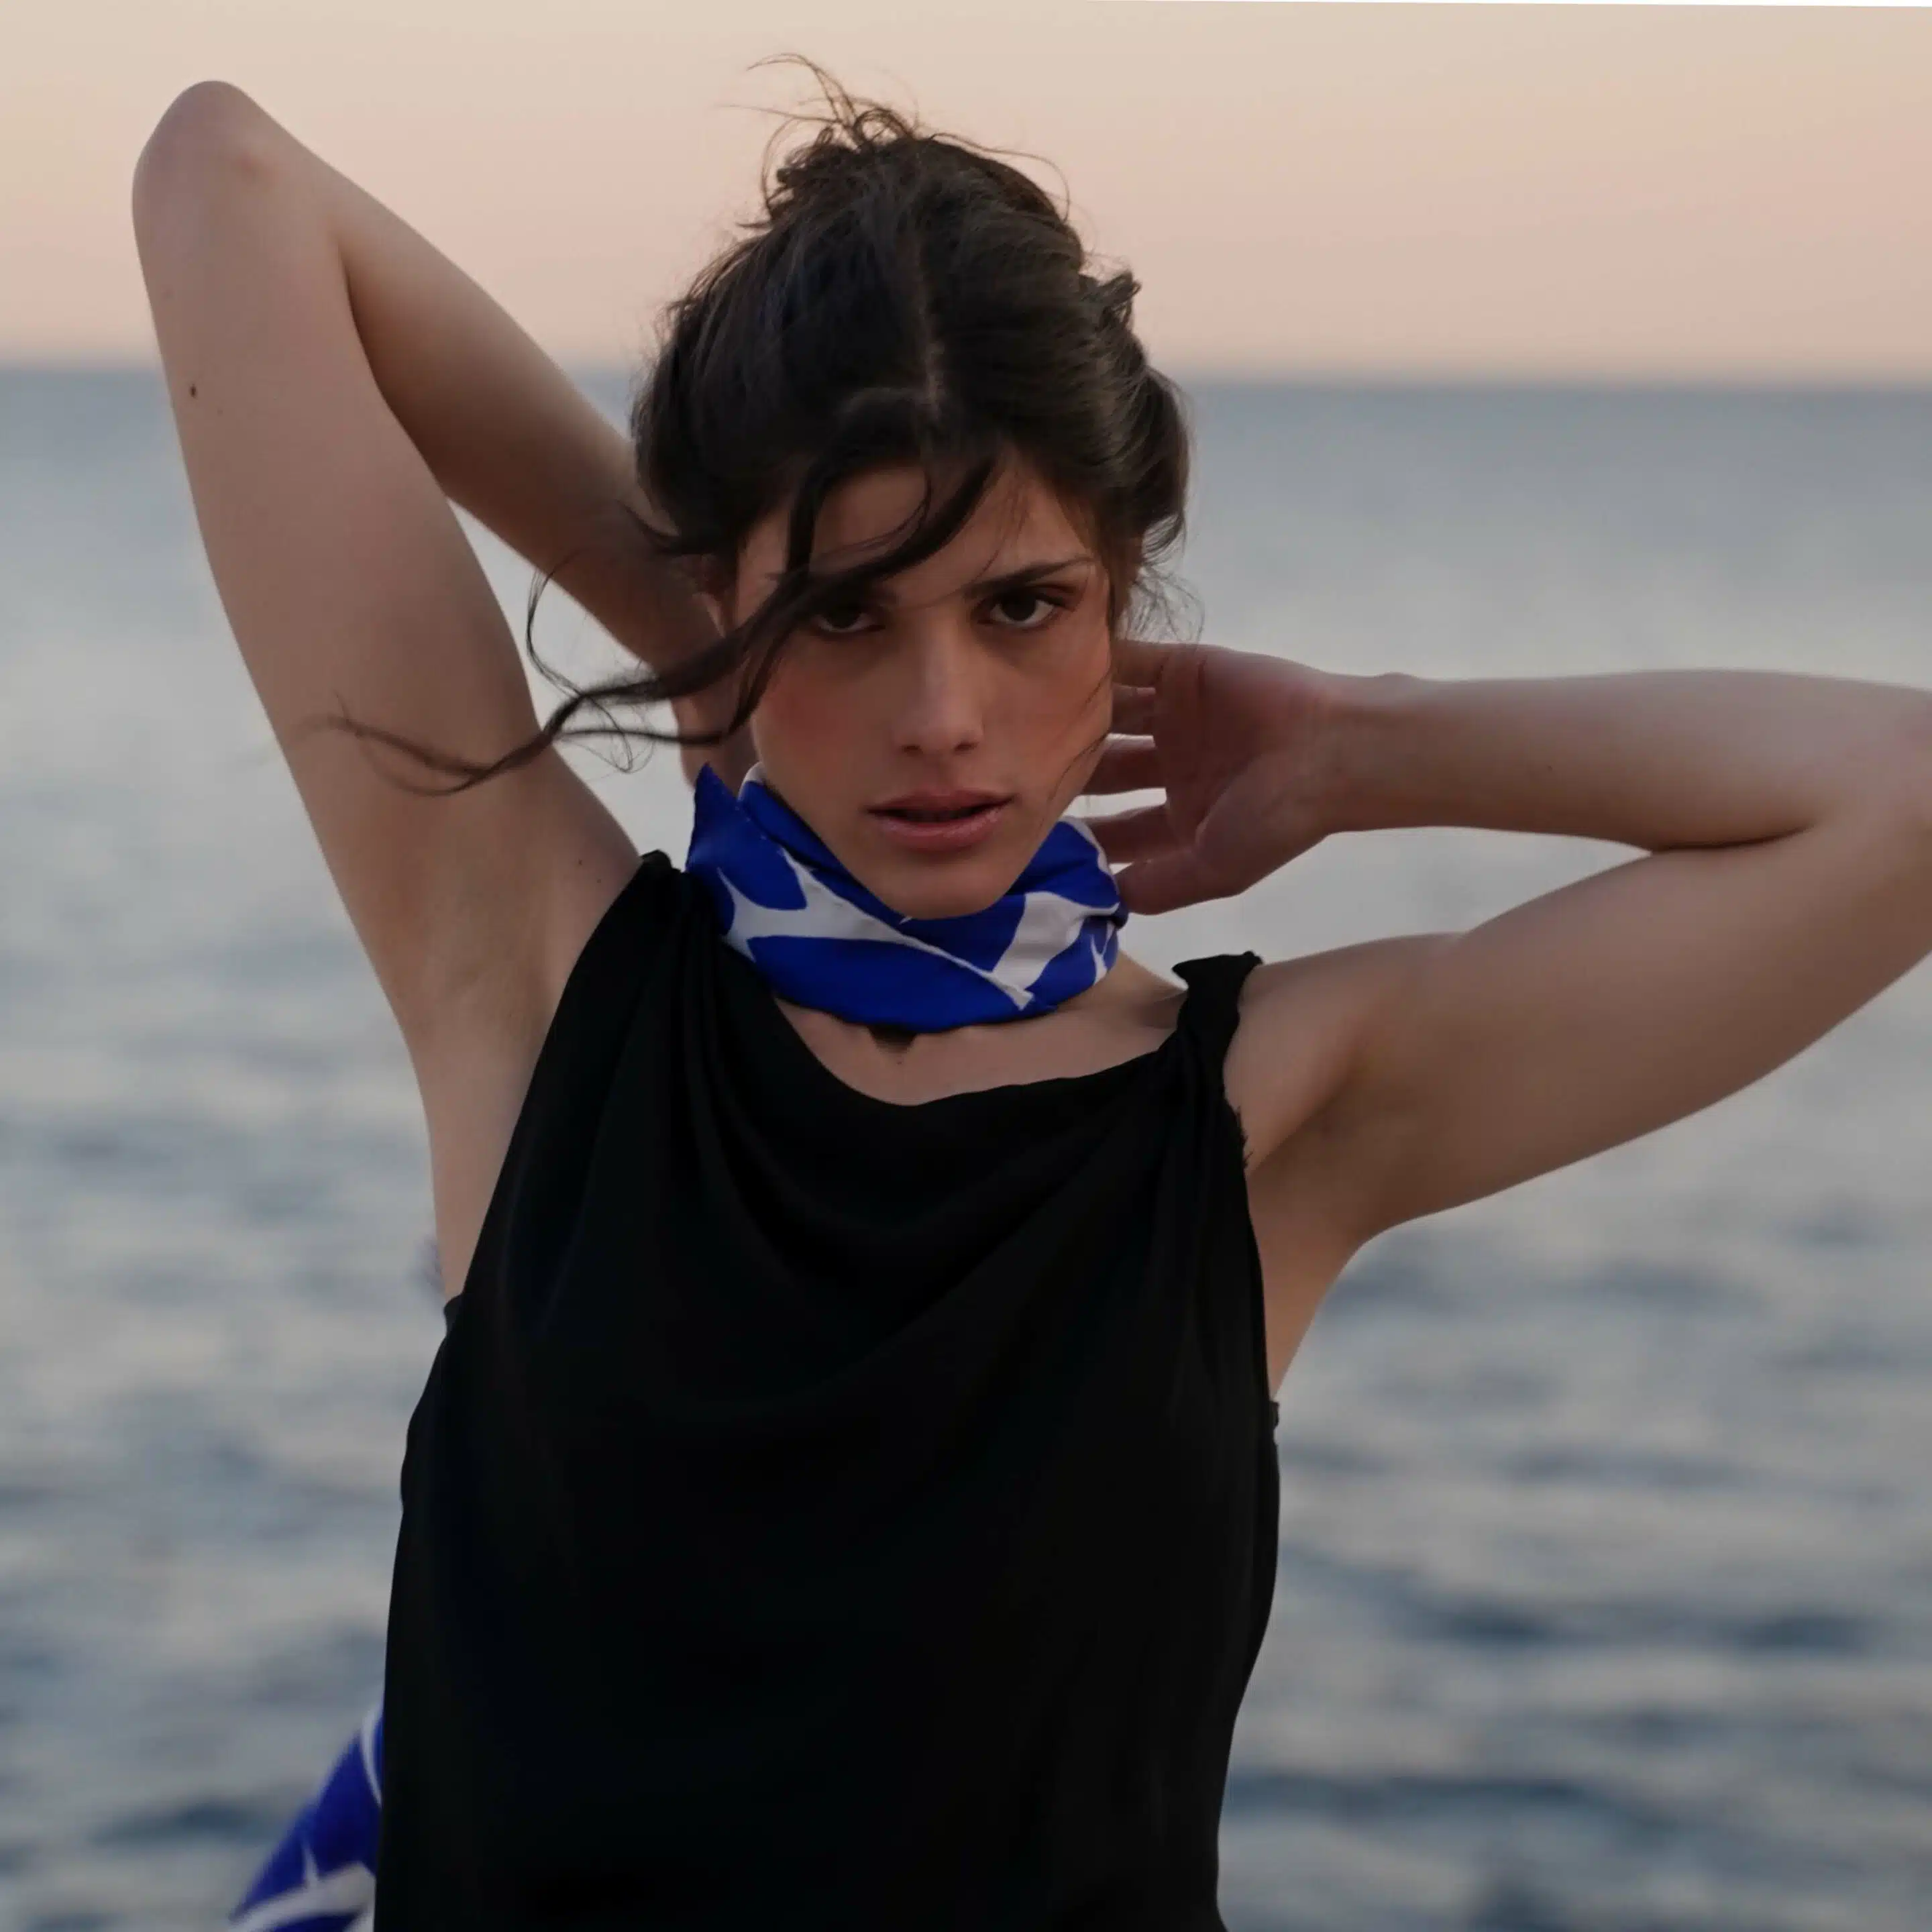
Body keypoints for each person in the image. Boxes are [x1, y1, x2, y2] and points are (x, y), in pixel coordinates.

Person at [132, 59, 1932, 1932]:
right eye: (848, 614)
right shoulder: (540, 983)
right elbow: (223, 180)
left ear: (1124, 594)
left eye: (1021, 609)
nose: (942, 719)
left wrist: (1360, 745)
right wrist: (711, 646)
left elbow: (1903, 801)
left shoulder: (1264, 1123)